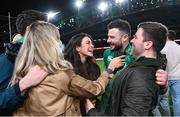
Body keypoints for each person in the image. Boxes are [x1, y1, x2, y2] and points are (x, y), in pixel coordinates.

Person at [11, 21, 122, 116]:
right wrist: (109, 69)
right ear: (49, 43)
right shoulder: (61, 73)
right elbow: (95, 89)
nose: (60, 42)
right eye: (58, 38)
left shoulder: (20, 69)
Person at [86, 21, 168, 116]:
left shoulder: (138, 57)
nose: (108, 40)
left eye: (112, 37)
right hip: (109, 103)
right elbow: (106, 76)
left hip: (128, 103)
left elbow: (148, 84)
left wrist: (164, 86)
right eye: (108, 36)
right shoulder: (107, 53)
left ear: (125, 37)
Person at [0, 9, 48, 115]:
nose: (48, 32)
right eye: (44, 28)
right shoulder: (7, 60)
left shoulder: (44, 57)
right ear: (30, 30)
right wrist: (24, 84)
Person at [64, 33, 100, 115]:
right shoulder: (67, 68)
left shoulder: (95, 67)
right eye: (88, 43)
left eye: (92, 43)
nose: (92, 45)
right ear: (77, 48)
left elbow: (96, 88)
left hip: (91, 109)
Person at [161, 30, 180, 116]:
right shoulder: (179, 48)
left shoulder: (162, 49)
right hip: (177, 77)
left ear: (167, 37)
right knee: (177, 100)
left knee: (164, 100)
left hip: (165, 78)